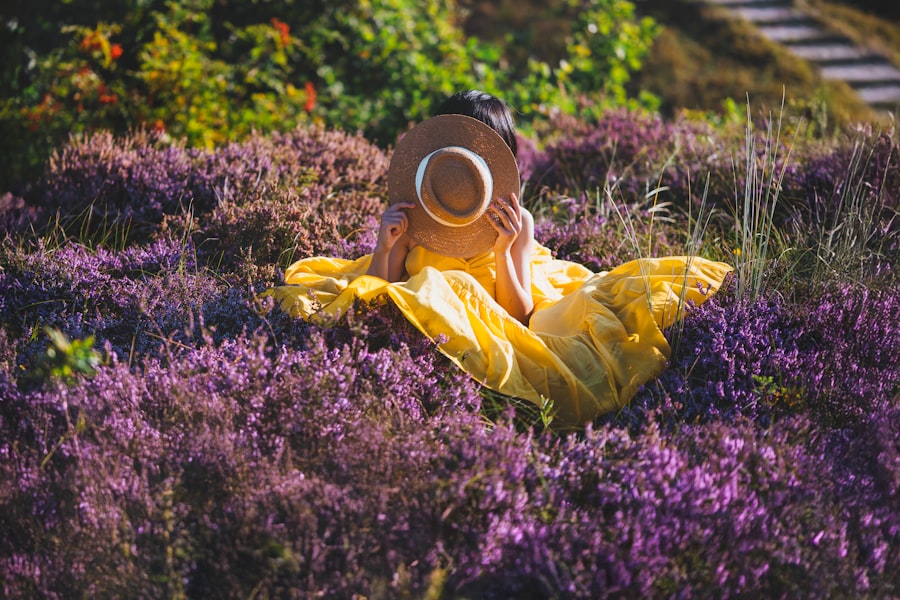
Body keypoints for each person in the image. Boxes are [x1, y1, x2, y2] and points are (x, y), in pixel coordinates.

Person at [268, 90, 733, 430]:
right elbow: (377, 288)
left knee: (484, 298)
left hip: (497, 316)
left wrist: (501, 249)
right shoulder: (418, 212)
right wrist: (387, 246)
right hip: (431, 318)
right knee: (428, 287)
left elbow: (520, 315)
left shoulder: (516, 222)